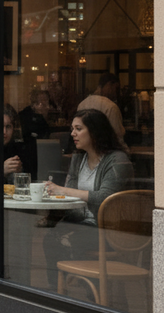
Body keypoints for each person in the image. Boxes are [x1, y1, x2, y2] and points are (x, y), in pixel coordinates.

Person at [43, 109, 133, 277]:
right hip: (81, 223)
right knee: (50, 239)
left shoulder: (117, 160)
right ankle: (57, 291)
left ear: (95, 131)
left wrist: (62, 190)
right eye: (72, 129)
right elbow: (69, 196)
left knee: (70, 240)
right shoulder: (78, 158)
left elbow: (105, 198)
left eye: (78, 129)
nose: (72, 134)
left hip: (110, 230)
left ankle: (91, 295)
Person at [77, 73, 125, 146]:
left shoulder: (82, 104)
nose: (116, 93)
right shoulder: (110, 107)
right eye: (116, 89)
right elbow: (117, 136)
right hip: (106, 151)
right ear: (109, 85)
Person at [3, 103, 36, 178]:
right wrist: (0, 171)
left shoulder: (20, 150)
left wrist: (20, 172)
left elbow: (32, 178)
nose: (4, 132)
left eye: (8, 127)